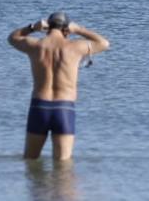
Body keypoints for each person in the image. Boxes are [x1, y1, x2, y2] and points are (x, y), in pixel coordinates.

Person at [7, 11, 110, 162]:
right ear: (67, 30)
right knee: (63, 166)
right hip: (64, 108)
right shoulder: (76, 47)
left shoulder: (35, 45)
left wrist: (32, 27)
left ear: (47, 27)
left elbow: (12, 38)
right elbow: (104, 43)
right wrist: (79, 29)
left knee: (30, 160)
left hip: (39, 108)